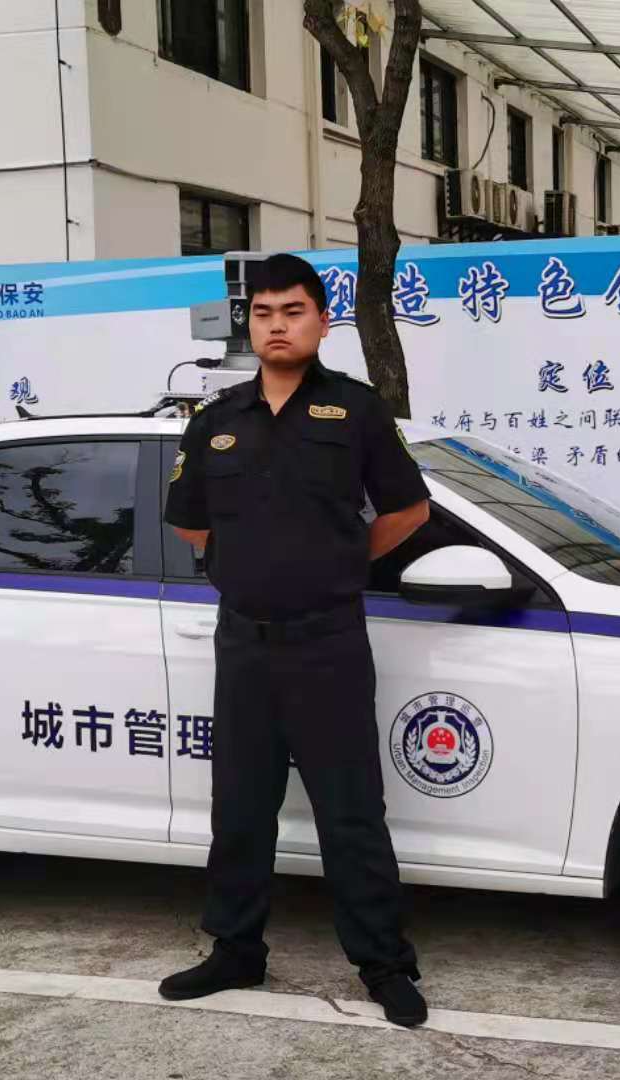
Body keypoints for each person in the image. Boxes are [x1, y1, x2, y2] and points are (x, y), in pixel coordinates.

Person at [157, 253, 433, 1027]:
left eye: (293, 311)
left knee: (351, 811)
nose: (277, 326)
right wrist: (242, 564)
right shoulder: (216, 421)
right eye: (264, 313)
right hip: (244, 645)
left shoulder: (357, 411)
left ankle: (384, 963)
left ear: (322, 320)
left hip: (328, 643)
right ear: (250, 324)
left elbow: (407, 509)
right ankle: (235, 950)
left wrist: (342, 562)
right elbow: (189, 521)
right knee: (241, 807)